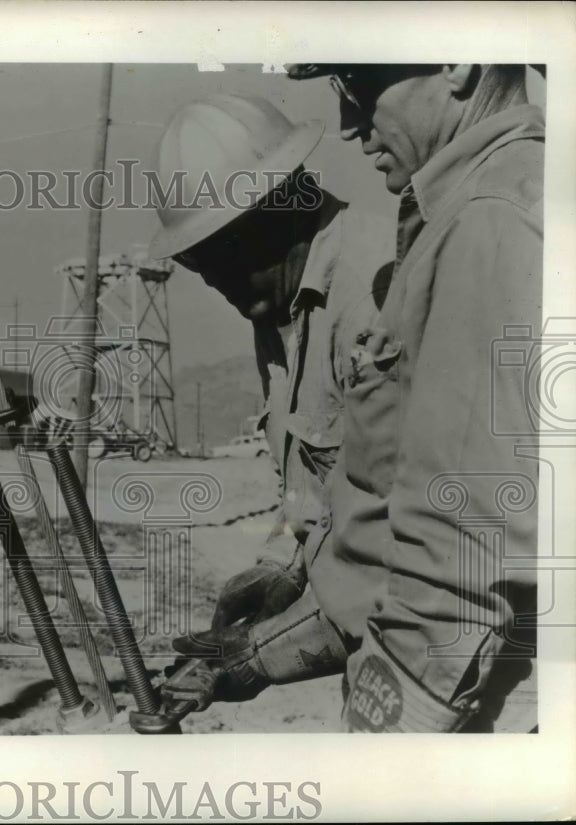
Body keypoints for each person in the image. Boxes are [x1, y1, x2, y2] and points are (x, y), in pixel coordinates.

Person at [252, 64, 542, 732]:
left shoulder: (489, 219)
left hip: (478, 713)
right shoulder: (484, 204)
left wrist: (380, 756)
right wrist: (262, 652)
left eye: (356, 84)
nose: (348, 123)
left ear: (458, 63)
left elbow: (460, 562)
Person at [146, 94, 393, 702]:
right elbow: (318, 486)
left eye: (218, 252)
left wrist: (255, 657)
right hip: (382, 669)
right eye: (195, 261)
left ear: (280, 212)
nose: (213, 279)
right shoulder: (278, 301)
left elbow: (407, 563)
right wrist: (281, 564)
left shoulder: (377, 300)